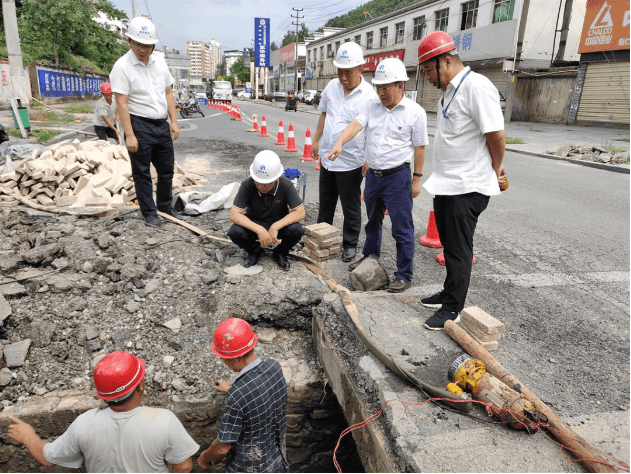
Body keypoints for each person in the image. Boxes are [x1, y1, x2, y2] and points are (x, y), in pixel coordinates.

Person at [417, 31, 505, 330]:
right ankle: (448, 292)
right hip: (447, 184)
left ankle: (452, 308)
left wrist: (496, 168)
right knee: (449, 244)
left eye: (430, 69)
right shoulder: (450, 93)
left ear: (447, 60)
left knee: (458, 249)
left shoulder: (476, 87)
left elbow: (495, 134)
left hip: (468, 187)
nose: (428, 76)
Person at [326, 58, 428, 293]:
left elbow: (420, 147)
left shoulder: (415, 113)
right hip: (373, 175)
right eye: (378, 87)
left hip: (398, 177)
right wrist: (340, 142)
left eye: (386, 87)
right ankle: (370, 259)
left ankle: (404, 275)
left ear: (400, 85)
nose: (381, 92)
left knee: (402, 228)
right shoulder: (372, 106)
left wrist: (417, 178)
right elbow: (356, 124)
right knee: (372, 222)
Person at [8, 351, 199, 472]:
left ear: (102, 395)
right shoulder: (164, 420)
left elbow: (47, 457)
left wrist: (28, 436)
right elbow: (183, 466)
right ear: (140, 386)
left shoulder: (84, 423)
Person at [109, 16, 182, 228]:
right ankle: (149, 213)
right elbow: (121, 103)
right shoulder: (121, 67)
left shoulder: (160, 61)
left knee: (166, 170)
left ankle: (166, 207)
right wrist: (129, 134)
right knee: (142, 173)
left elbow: (168, 93)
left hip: (160, 124)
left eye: (148, 45)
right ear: (130, 42)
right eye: (139, 44)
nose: (143, 49)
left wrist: (174, 121)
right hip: (139, 124)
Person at [312, 42, 379, 263]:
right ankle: (324, 239)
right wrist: (316, 140)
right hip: (327, 160)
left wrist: (368, 157)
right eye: (340, 71)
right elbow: (323, 115)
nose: (343, 77)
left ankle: (350, 244)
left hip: (350, 162)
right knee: (326, 204)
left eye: (348, 72)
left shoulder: (369, 95)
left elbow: (364, 127)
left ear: (360, 68)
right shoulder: (331, 87)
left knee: (350, 206)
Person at [198, 318, 288, 473]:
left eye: (223, 357)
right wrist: (232, 390)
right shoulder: (274, 367)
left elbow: (222, 448)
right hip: (277, 462)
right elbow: (259, 393)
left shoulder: (237, 397)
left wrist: (205, 457)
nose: (222, 360)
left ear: (236, 358)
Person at [228, 150, 305, 271]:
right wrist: (259, 229)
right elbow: (234, 214)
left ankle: (280, 252)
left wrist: (275, 226)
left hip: (278, 223)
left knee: (297, 230)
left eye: (266, 184)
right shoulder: (247, 184)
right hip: (255, 222)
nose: (261, 187)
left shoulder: (285, 185)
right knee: (234, 232)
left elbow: (300, 212)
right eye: (258, 182)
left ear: (276, 179)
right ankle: (256, 251)